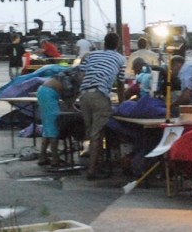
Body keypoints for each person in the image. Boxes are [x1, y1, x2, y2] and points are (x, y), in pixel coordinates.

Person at [78, 33, 126, 180]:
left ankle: (96, 164)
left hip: (84, 95)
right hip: (99, 95)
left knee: (91, 133)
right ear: (117, 44)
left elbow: (80, 74)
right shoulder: (120, 58)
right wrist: (123, 103)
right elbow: (121, 83)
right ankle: (92, 171)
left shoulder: (92, 55)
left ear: (104, 43)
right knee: (97, 135)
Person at [36, 66, 84, 167]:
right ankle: (55, 159)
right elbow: (70, 97)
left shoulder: (74, 71)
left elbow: (70, 100)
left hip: (45, 91)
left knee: (48, 128)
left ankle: (43, 157)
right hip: (49, 93)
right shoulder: (79, 74)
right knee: (54, 127)